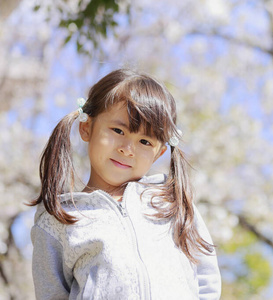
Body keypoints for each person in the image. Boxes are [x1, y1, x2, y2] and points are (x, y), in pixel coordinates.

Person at [29, 69, 221, 299]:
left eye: (144, 141)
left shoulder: (172, 204)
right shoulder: (58, 220)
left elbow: (206, 277)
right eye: (118, 130)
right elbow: (51, 292)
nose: (127, 149)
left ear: (159, 153)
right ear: (86, 128)